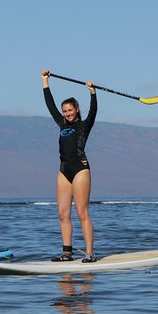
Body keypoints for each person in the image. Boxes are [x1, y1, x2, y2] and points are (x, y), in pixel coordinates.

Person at [41, 69, 98, 263]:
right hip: (63, 170)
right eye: (65, 111)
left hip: (80, 169)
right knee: (62, 213)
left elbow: (93, 112)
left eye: (70, 110)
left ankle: (90, 253)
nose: (67, 113)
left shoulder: (84, 125)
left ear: (76, 110)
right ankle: (67, 252)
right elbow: (49, 105)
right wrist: (45, 82)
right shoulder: (62, 124)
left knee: (82, 212)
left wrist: (92, 93)